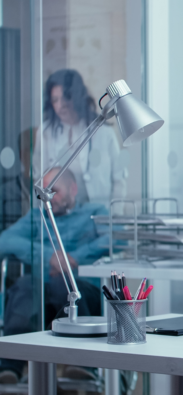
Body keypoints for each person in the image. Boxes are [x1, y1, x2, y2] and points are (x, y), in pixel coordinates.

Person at [0, 167, 108, 379]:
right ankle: (9, 367)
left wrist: (75, 257)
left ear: (73, 189)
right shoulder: (38, 216)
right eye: (44, 193)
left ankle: (83, 364)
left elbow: (115, 238)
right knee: (24, 286)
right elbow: (5, 240)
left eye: (54, 191)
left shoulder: (95, 213)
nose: (48, 199)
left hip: (84, 294)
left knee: (63, 284)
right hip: (41, 296)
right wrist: (49, 256)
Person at [33, 69, 128, 208]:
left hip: (97, 215)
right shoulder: (45, 133)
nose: (61, 105)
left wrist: (113, 219)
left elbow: (119, 180)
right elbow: (38, 180)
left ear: (77, 96)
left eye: (66, 97)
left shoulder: (103, 133)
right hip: (57, 215)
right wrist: (40, 220)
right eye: (55, 100)